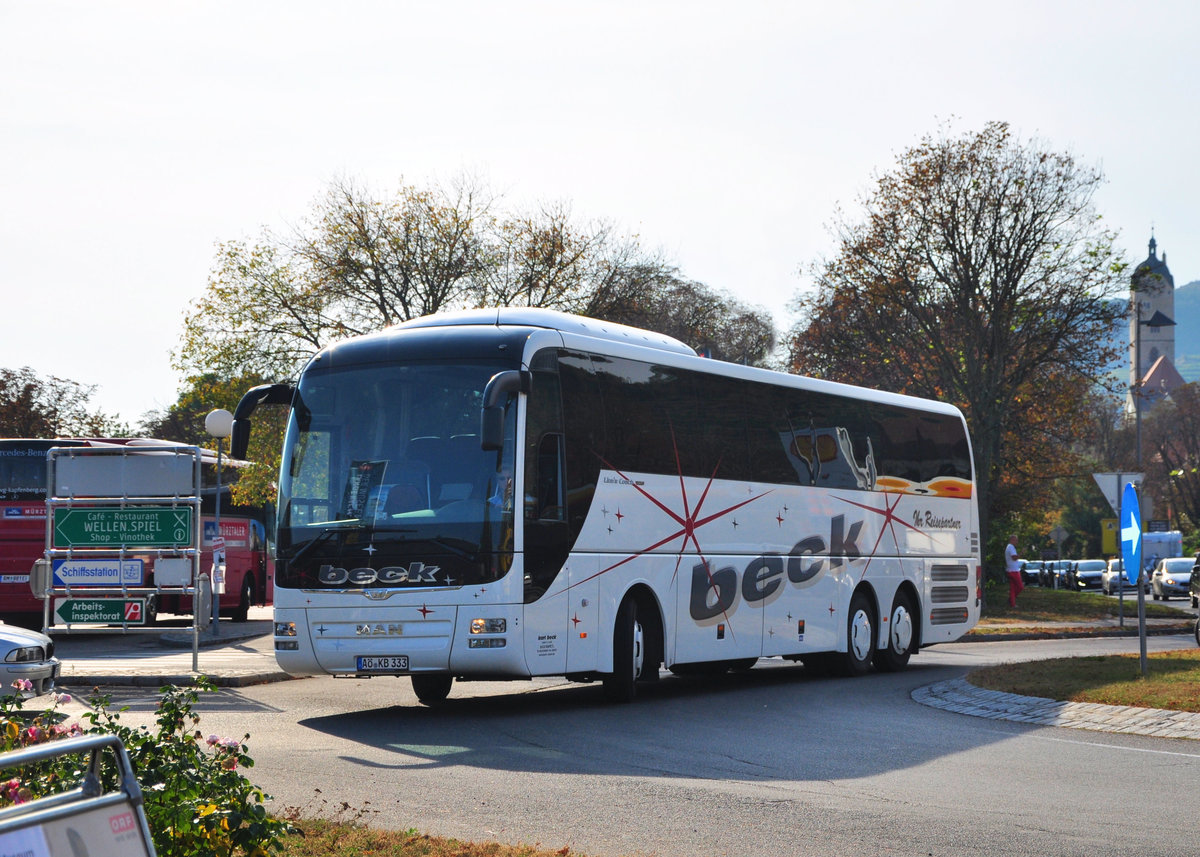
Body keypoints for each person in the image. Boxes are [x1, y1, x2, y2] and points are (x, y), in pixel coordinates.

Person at [1005, 534, 1024, 608]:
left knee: (1013, 588)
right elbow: (1014, 557)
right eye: (1016, 540)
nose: (1017, 542)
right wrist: (1021, 553)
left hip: (1010, 569)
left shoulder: (1009, 547)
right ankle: (1010, 599)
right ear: (1012, 540)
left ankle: (1012, 603)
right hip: (1014, 571)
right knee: (1020, 587)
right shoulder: (1011, 547)